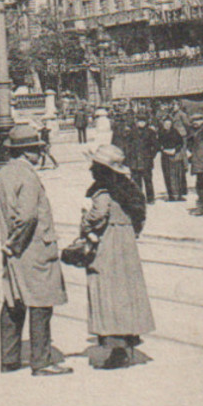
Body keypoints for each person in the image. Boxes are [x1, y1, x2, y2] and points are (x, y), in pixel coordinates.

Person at [0, 124, 71, 376]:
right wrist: (16, 243)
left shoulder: (1, 174)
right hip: (33, 248)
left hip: (12, 249)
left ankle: (9, 359)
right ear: (27, 153)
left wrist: (10, 245)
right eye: (37, 150)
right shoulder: (27, 176)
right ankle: (41, 362)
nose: (40, 154)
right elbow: (27, 217)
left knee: (14, 301)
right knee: (41, 304)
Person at [78, 145, 155, 369]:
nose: (91, 169)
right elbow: (139, 215)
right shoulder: (129, 189)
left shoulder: (102, 191)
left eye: (95, 166)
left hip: (108, 243)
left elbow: (98, 215)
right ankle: (128, 341)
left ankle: (117, 349)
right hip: (126, 243)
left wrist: (85, 222)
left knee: (109, 293)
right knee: (126, 291)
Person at [122, 111, 158, 205]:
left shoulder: (150, 132)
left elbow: (156, 146)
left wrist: (151, 156)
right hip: (135, 160)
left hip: (146, 160)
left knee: (148, 180)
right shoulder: (132, 132)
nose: (141, 123)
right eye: (139, 121)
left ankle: (150, 198)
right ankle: (138, 198)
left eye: (143, 121)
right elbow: (127, 145)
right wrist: (128, 156)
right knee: (136, 181)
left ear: (146, 122)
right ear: (136, 122)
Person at [156, 113, 188, 202]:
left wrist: (175, 150)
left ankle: (179, 195)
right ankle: (171, 195)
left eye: (169, 124)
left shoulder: (175, 132)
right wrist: (162, 149)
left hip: (175, 155)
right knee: (168, 175)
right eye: (166, 124)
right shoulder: (160, 133)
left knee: (177, 175)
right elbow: (157, 143)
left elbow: (180, 143)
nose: (167, 126)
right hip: (165, 156)